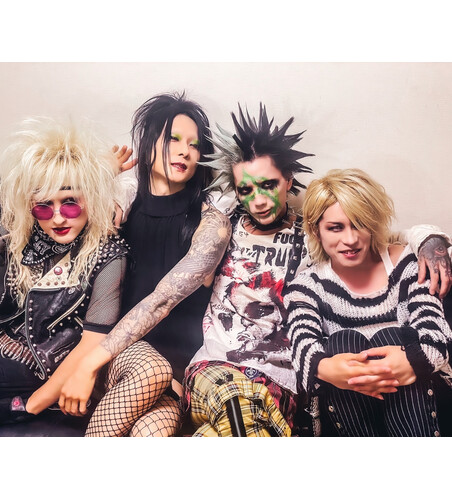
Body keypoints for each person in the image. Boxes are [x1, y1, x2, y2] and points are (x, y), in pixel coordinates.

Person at [183, 104, 452, 437]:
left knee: (382, 339)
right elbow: (304, 340)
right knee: (339, 345)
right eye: (246, 190)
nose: (259, 201)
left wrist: (430, 238)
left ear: (288, 180)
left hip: (288, 384)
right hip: (224, 372)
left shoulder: (330, 242)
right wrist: (326, 367)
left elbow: (386, 244)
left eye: (268, 185)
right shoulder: (229, 233)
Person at [59, 92, 231, 437]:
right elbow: (59, 224)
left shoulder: (212, 222)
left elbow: (163, 300)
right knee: (150, 369)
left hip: (174, 366)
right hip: (116, 353)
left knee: (153, 432)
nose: (185, 151)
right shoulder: (121, 203)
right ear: (149, 142)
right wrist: (103, 180)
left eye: (194, 145)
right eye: (173, 139)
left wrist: (86, 366)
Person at [0, 117, 129, 435]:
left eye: (71, 205)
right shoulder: (18, 227)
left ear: (90, 199)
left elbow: (90, 346)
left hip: (37, 366)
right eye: (44, 207)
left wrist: (24, 406)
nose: (58, 218)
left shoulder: (109, 253)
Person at [283, 168, 452, 436]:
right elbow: (302, 346)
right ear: (316, 230)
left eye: (359, 223)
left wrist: (410, 361)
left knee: (390, 337)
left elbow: (435, 334)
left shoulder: (407, 264)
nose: (350, 240)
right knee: (344, 342)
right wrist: (329, 369)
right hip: (348, 411)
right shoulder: (306, 285)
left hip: (419, 402)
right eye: (335, 227)